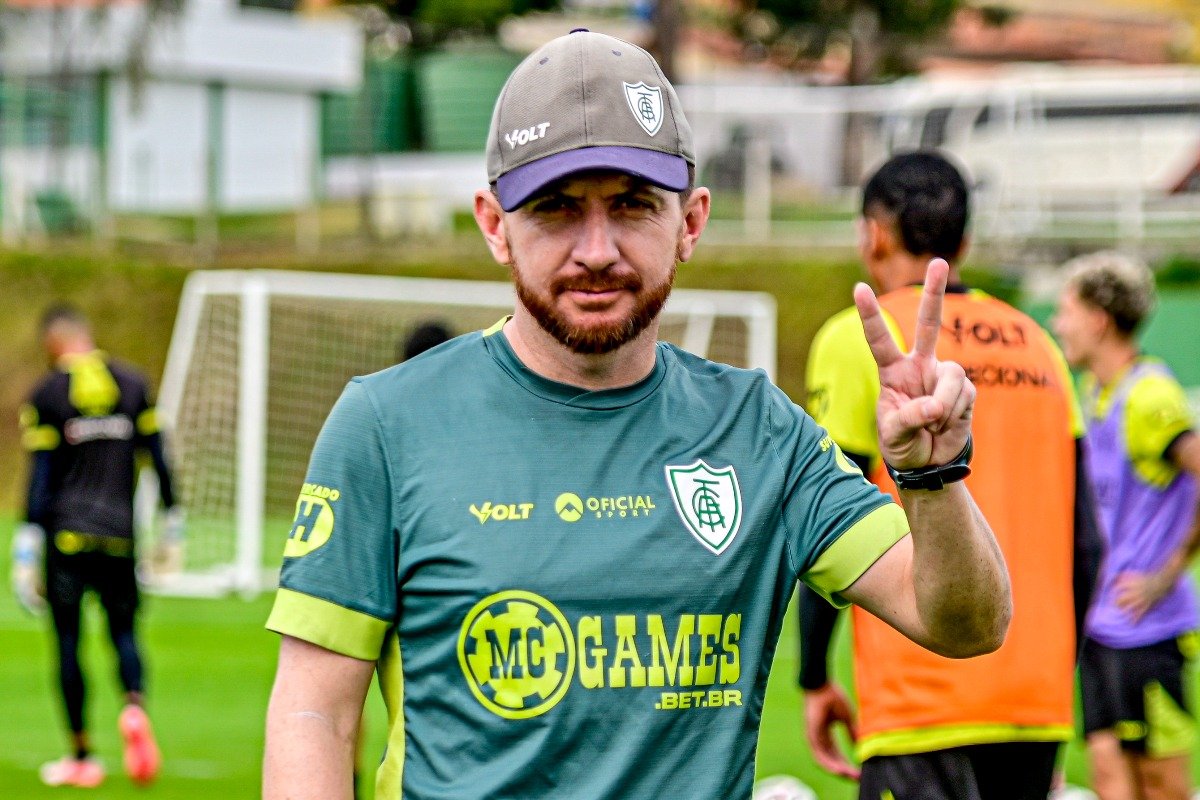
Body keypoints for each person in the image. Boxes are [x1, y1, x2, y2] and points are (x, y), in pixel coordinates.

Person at [263, 30, 1011, 800]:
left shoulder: (761, 431)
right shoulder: (388, 425)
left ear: (689, 221)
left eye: (631, 207)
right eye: (555, 208)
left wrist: (933, 476)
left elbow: (963, 623)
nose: (597, 249)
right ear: (494, 224)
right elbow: (315, 713)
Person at [797, 150, 1102, 800]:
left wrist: (814, 677)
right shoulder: (1040, 345)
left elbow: (823, 520)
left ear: (872, 234)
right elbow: (1087, 541)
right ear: (963, 241)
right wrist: (1051, 674)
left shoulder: (860, 338)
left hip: (917, 695)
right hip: (1034, 700)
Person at [12, 303, 180, 788]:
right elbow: (160, 460)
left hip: (66, 534)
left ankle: (82, 755)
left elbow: (40, 478)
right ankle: (133, 704)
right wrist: (172, 520)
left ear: (54, 342)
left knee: (68, 642)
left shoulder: (48, 392)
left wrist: (27, 546)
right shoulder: (133, 383)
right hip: (120, 534)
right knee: (124, 633)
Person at [1052, 251, 1200, 800]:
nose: (1057, 322)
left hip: (1149, 630)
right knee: (1112, 780)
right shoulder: (1094, 394)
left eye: (1066, 309)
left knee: (1160, 785)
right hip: (1101, 624)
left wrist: (1168, 572)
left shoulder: (1148, 396)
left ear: (1098, 319)